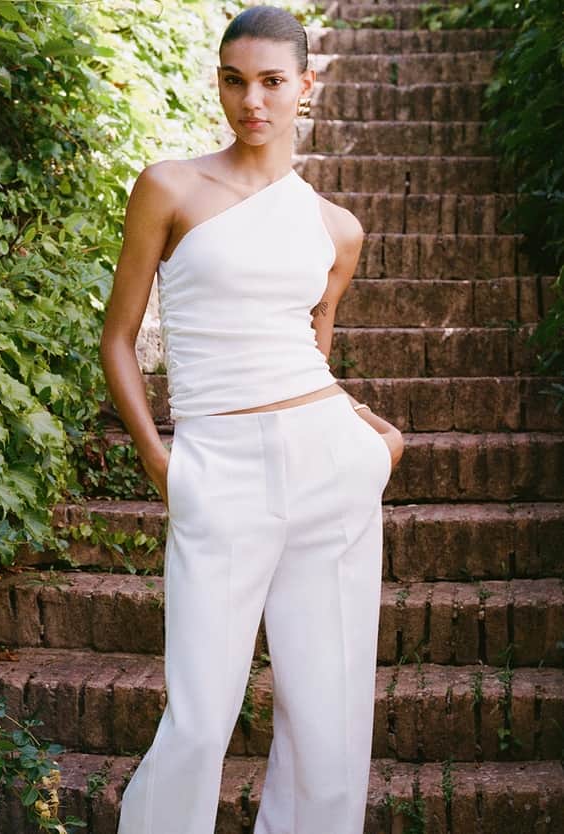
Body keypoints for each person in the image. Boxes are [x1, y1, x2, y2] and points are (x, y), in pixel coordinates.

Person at [99, 5, 405, 833]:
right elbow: (118, 339)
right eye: (235, 81)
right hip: (217, 465)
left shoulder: (337, 229)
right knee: (200, 719)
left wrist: (376, 439)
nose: (252, 101)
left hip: (330, 471)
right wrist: (160, 461)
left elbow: (311, 357)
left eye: (272, 81)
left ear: (306, 85)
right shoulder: (169, 187)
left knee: (329, 726)